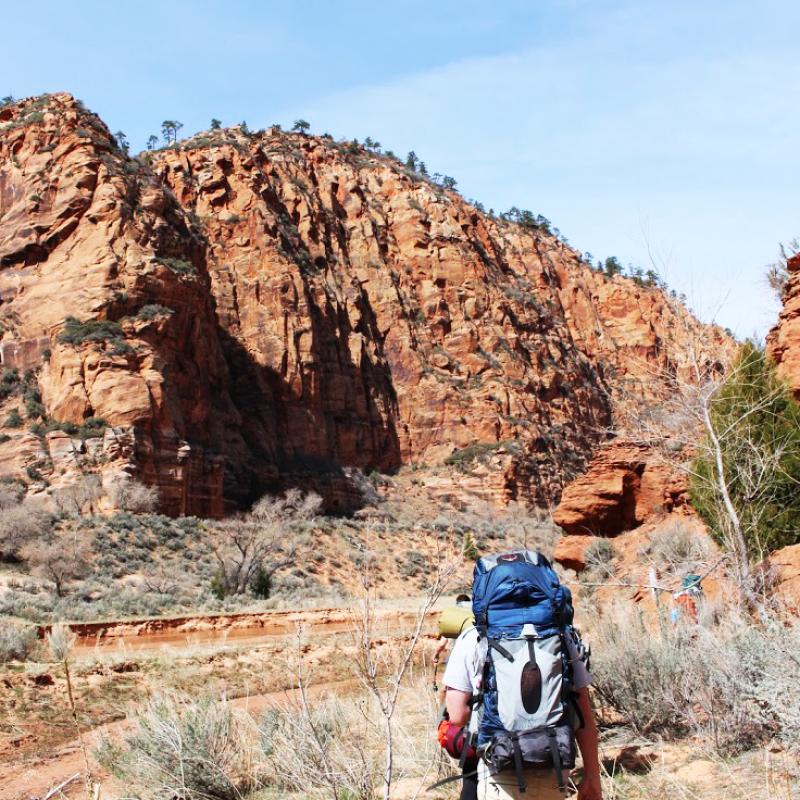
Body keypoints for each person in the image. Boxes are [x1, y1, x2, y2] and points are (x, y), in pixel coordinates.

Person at [440, 552, 603, 800]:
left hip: (499, 768)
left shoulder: (473, 638)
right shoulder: (562, 636)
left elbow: (458, 716)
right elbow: (584, 715)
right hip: (555, 764)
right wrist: (592, 776)